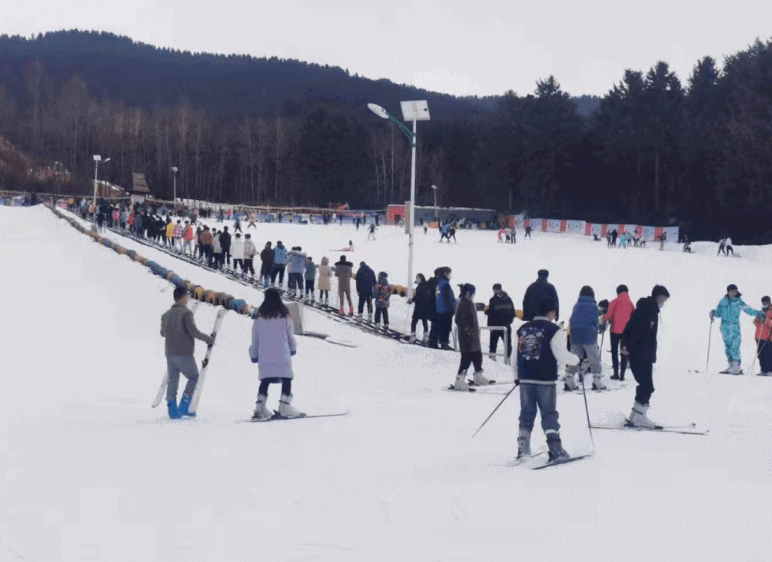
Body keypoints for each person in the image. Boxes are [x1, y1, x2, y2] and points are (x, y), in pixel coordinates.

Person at [514, 297, 579, 461]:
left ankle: (523, 449)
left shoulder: (522, 329)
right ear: (551, 312)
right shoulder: (554, 329)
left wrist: (517, 377)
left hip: (525, 378)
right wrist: (576, 360)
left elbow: (514, 355)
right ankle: (555, 450)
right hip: (545, 378)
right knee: (548, 413)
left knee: (526, 412)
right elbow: (561, 354)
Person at [248, 288, 304, 420]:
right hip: (282, 353)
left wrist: (254, 355)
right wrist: (292, 349)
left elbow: (254, 339)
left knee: (265, 379)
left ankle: (260, 407)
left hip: (265, 355)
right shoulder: (285, 316)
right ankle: (285, 406)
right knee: (286, 378)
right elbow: (290, 336)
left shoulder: (259, 318)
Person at [160, 287, 215, 419]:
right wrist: (209, 339)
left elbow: (162, 333)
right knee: (194, 377)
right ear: (183, 297)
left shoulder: (165, 315)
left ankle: (172, 410)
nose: (188, 298)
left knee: (173, 380)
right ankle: (185, 405)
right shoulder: (186, 313)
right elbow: (193, 331)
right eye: (187, 296)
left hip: (170, 354)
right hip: (184, 353)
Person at [621, 285, 670, 428]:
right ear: (659, 297)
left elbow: (630, 328)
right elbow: (638, 332)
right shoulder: (649, 311)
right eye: (664, 300)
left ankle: (635, 416)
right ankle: (640, 417)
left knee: (645, 385)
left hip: (641, 353)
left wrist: (626, 346)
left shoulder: (645, 308)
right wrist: (629, 348)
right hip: (641, 353)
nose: (663, 303)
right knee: (647, 386)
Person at [710, 284, 762, 374]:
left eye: (735, 291)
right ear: (728, 292)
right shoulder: (723, 302)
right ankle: (731, 365)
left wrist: (760, 313)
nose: (734, 293)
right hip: (725, 327)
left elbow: (749, 310)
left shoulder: (739, 302)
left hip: (734, 326)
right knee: (728, 346)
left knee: (735, 345)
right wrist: (713, 313)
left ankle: (736, 365)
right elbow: (718, 313)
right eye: (732, 291)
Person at [563, 286, 605, 391]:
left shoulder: (576, 305)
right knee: (594, 358)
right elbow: (596, 323)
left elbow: (571, 319)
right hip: (589, 335)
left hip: (575, 334)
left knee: (575, 357)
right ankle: (597, 381)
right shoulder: (593, 306)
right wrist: (596, 331)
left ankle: (569, 379)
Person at [452, 284, 493, 390]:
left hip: (473, 336)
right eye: (473, 293)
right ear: (468, 293)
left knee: (477, 355)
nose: (474, 295)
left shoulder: (469, 303)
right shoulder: (463, 303)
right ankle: (459, 380)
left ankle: (478, 375)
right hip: (467, 337)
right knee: (467, 358)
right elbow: (458, 319)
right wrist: (468, 331)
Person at [604, 284, 634, 381]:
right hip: (626, 332)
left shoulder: (614, 301)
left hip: (614, 331)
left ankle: (615, 373)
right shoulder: (631, 304)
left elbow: (608, 316)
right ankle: (622, 375)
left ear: (618, 292)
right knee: (624, 352)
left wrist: (603, 317)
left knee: (614, 351)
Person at [485, 283, 516, 361]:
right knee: (508, 344)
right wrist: (509, 321)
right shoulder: (509, 299)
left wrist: (490, 326)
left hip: (495, 326)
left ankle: (492, 358)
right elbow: (513, 312)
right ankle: (509, 360)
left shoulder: (493, 300)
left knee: (493, 344)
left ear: (494, 290)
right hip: (506, 325)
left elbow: (491, 314)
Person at [435, 267, 457, 350]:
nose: (450, 276)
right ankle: (444, 343)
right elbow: (448, 298)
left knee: (441, 327)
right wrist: (452, 308)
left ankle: (442, 342)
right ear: (446, 273)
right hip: (446, 310)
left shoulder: (439, 283)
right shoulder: (446, 284)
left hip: (439, 309)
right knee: (446, 327)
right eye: (449, 273)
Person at [409, 273, 434, 344]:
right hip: (425, 307)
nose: (417, 279)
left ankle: (413, 336)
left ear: (421, 278)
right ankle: (426, 337)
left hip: (419, 307)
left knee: (414, 321)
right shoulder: (426, 286)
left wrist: (412, 300)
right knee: (424, 321)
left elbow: (418, 296)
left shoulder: (420, 287)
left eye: (418, 278)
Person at [752, 297, 772, 376]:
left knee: (768, 354)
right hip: (759, 336)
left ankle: (769, 370)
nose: (764, 304)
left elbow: (770, 324)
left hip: (768, 337)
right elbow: (755, 323)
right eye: (763, 303)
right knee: (760, 354)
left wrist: (765, 320)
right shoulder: (761, 312)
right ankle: (763, 369)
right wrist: (757, 320)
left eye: (766, 302)